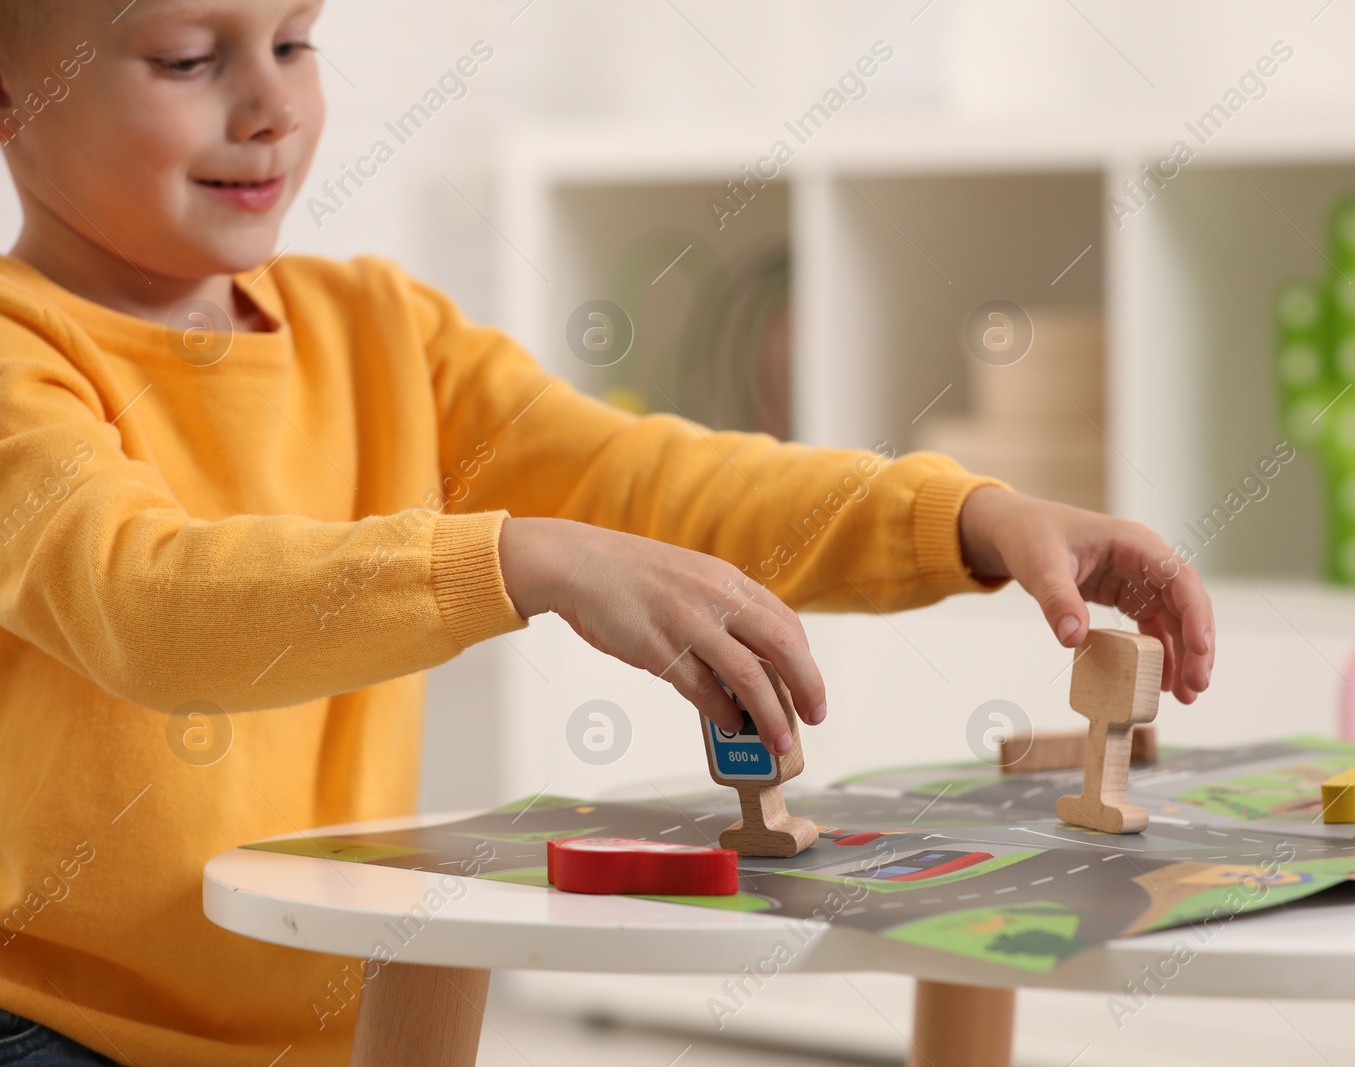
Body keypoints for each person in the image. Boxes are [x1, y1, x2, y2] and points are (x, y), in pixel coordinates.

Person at [0, 1, 1214, 1063]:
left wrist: (969, 515)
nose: (269, 103)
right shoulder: (17, 356)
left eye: (294, 40)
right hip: (61, 1025)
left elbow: (648, 479)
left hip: (327, 1015)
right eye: (185, 59)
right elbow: (144, 599)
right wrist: (517, 557)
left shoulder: (383, 330)